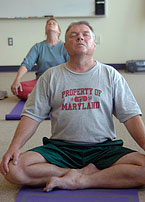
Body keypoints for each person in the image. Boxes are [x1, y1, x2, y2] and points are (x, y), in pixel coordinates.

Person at [0, 21, 145, 192]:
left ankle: (83, 180)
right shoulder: (50, 76)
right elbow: (32, 116)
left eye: (85, 34)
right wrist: (14, 147)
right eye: (73, 35)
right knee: (13, 169)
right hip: (62, 149)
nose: (80, 38)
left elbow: (131, 117)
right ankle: (76, 173)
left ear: (93, 43)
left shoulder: (111, 75)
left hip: (103, 148)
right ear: (65, 45)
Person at [11, 17, 70, 100]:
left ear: (59, 31)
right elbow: (27, 63)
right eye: (48, 24)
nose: (51, 24)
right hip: (41, 82)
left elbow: (72, 65)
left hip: (60, 82)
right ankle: (51, 95)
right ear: (46, 30)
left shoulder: (65, 46)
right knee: (19, 88)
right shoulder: (38, 47)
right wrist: (17, 80)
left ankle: (42, 96)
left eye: (54, 23)